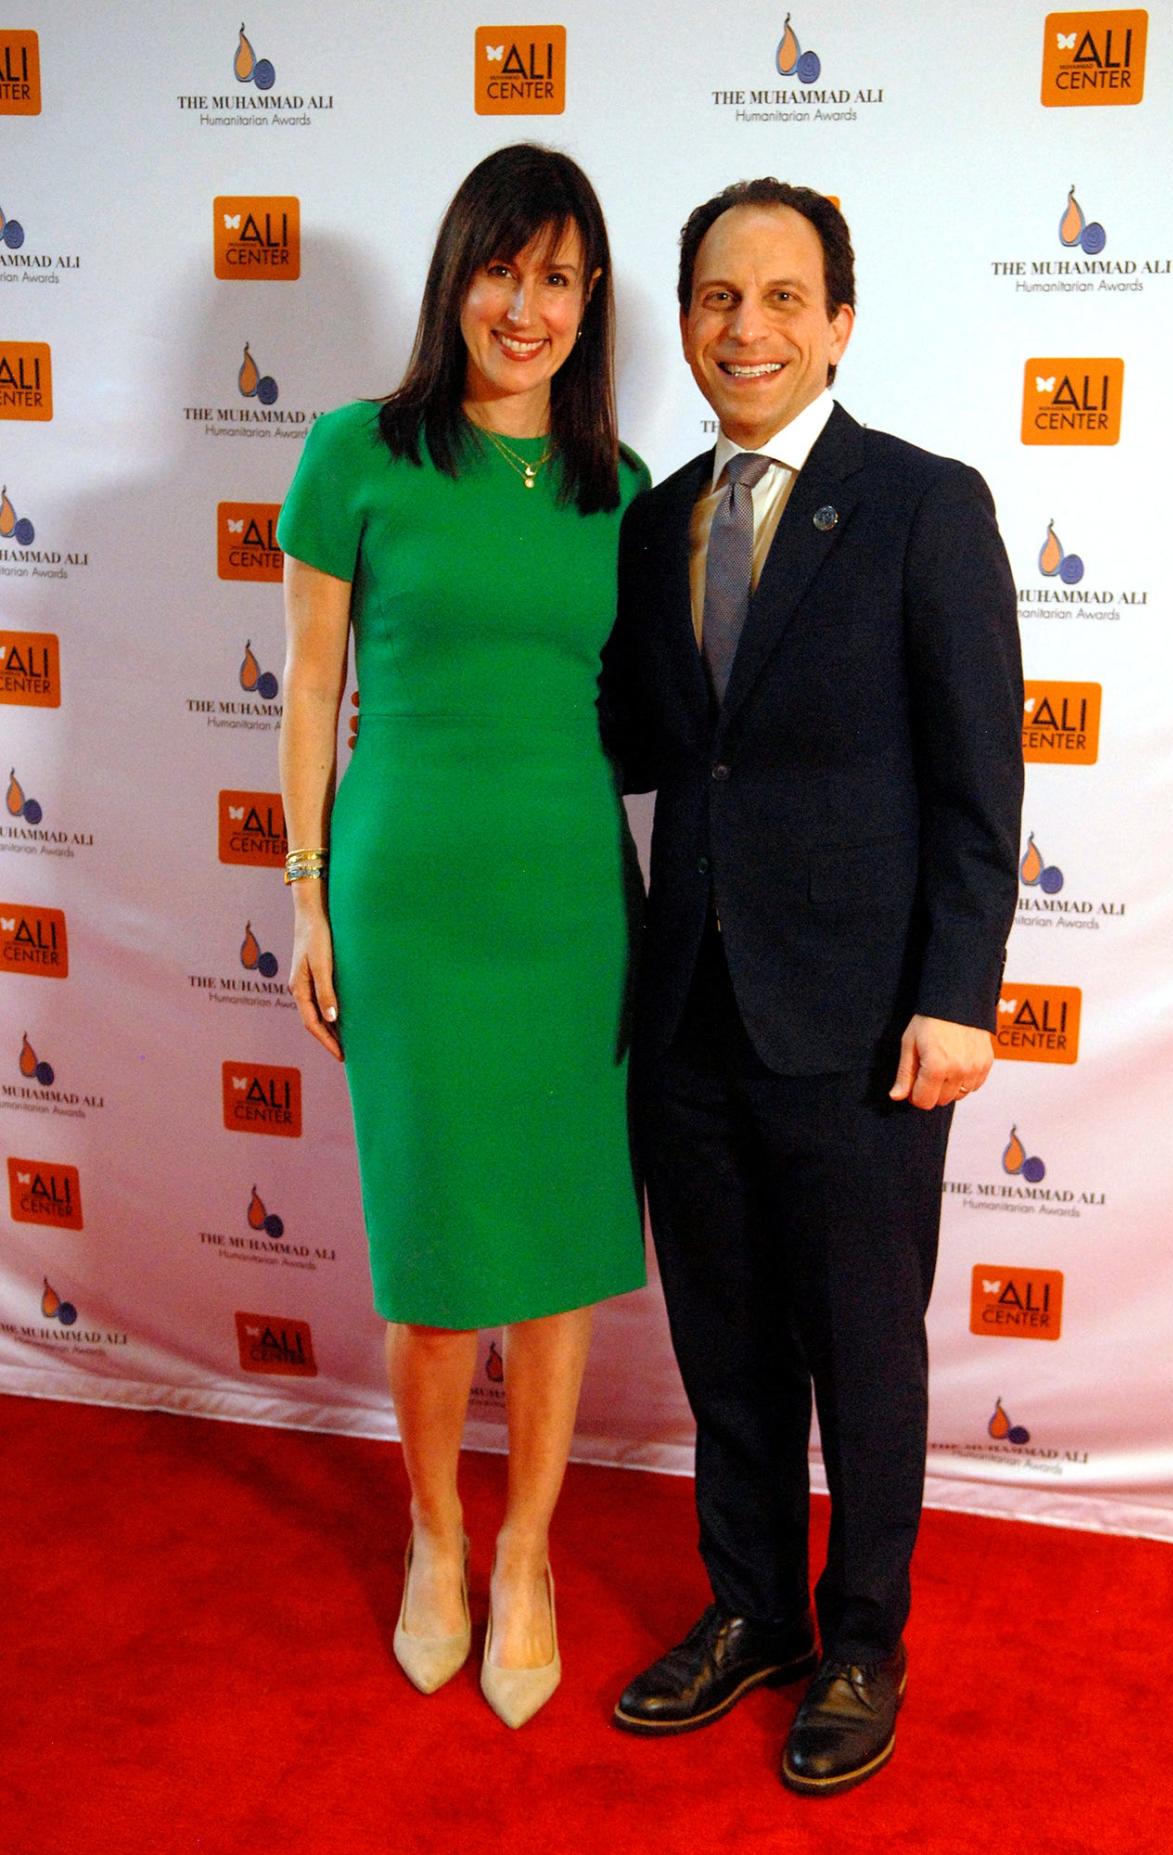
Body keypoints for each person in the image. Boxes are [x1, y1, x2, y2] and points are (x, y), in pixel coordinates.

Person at [599, 179, 1023, 1794]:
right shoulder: (653, 524)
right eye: (717, 298)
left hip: (860, 1027)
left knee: (863, 1347)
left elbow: (981, 783)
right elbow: (638, 743)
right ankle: (752, 1612)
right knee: (724, 1349)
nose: (746, 328)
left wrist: (958, 994)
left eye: (782, 297)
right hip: (688, 1014)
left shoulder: (923, 505)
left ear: (838, 320)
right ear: (687, 320)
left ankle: (860, 1643)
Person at [277, 143, 647, 1730]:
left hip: (570, 910)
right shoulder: (354, 453)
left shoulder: (615, 490)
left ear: (589, 304)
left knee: (555, 1260)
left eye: (561, 277)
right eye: (506, 268)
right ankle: (435, 1536)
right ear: (458, 276)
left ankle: (529, 1553)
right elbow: (307, 686)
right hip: (408, 904)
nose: (528, 305)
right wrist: (301, 888)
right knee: (432, 1273)